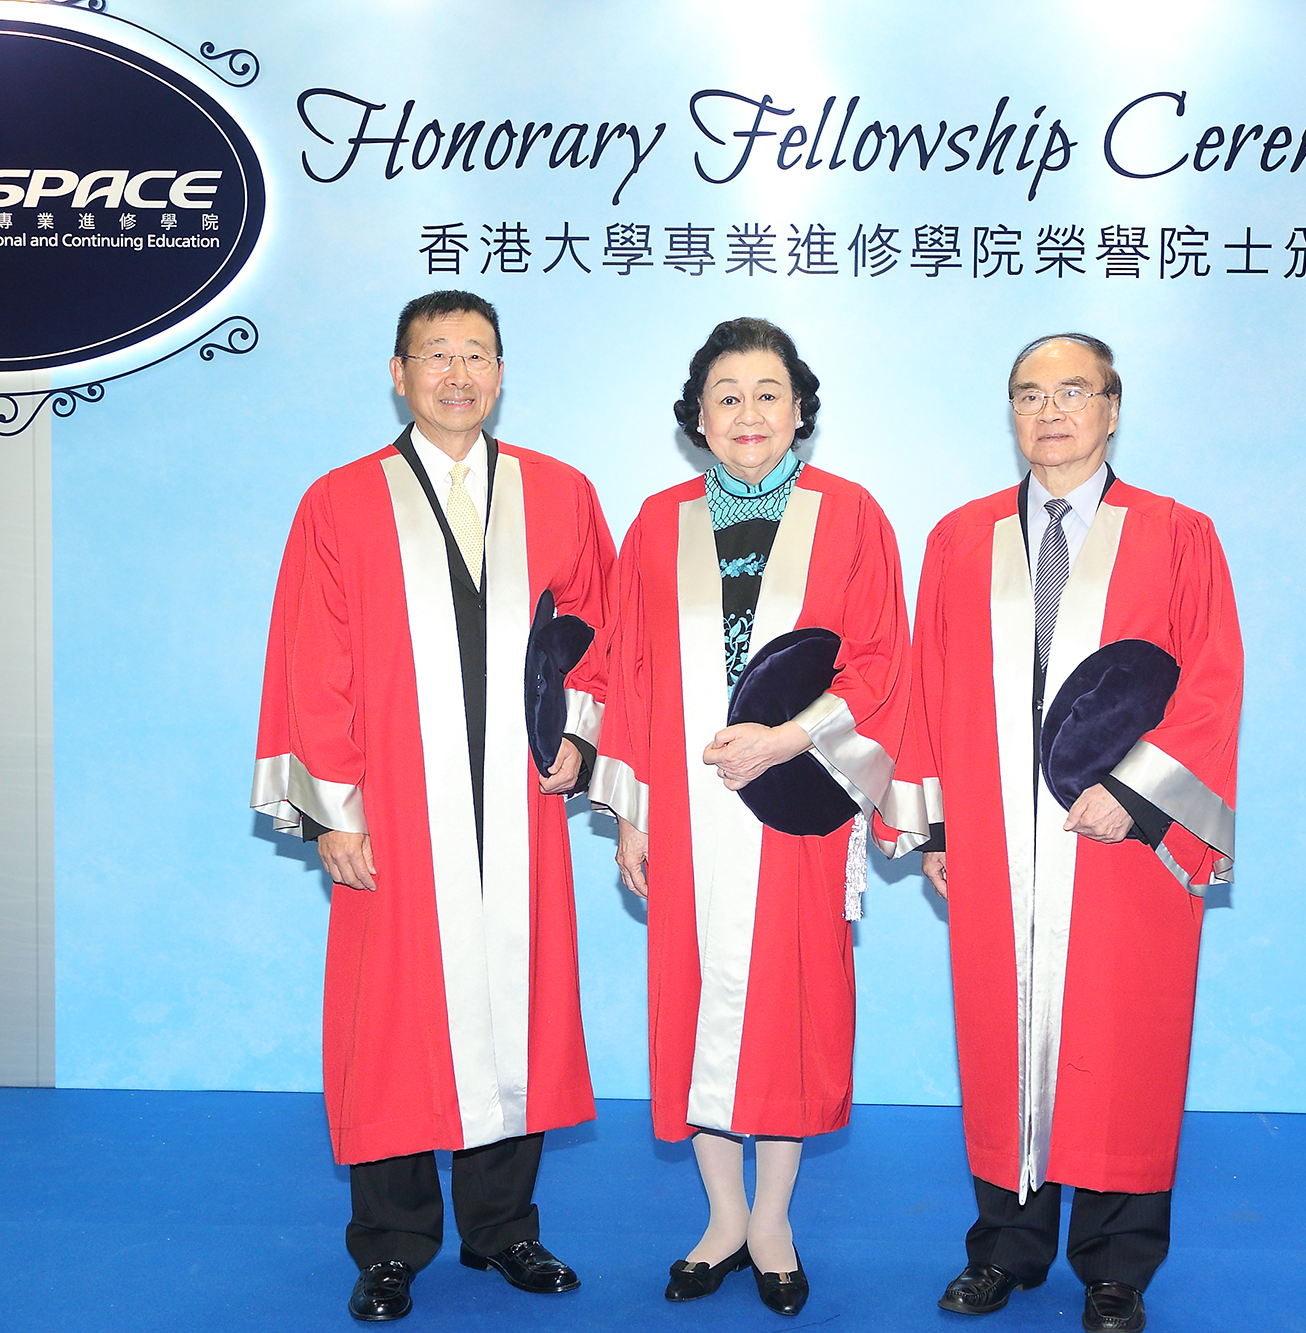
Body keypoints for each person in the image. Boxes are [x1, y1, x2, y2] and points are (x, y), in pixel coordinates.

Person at [250, 290, 615, 1323]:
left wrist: (580, 738)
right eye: (436, 354)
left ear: (501, 372)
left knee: (515, 1000)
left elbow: (599, 633)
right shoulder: (341, 501)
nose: (458, 374)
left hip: (517, 804)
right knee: (392, 1019)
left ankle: (503, 1228)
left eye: (477, 355)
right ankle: (391, 1244)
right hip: (399, 808)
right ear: (398, 372)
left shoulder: (559, 492)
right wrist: (336, 810)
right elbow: (312, 661)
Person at [889, 334, 1241, 1333]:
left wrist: (1136, 793)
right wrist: (935, 825)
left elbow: (1211, 683)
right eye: (1028, 394)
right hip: (996, 837)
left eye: (1073, 391)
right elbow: (928, 685)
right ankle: (1004, 1247)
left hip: (1117, 839)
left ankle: (1115, 1264)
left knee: (1124, 1042)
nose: (1049, 412)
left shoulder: (1176, 534)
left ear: (1112, 409)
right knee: (1004, 1035)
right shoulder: (960, 538)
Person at [592, 318, 913, 1317]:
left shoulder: (848, 515)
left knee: (789, 1007)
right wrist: (632, 815)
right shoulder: (657, 524)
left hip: (795, 804)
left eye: (768, 393)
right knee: (695, 1001)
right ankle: (722, 1218)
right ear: (697, 416)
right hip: (686, 812)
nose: (747, 413)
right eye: (725, 395)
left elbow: (881, 663)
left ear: (799, 409)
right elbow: (629, 676)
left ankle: (772, 1221)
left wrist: (788, 738)